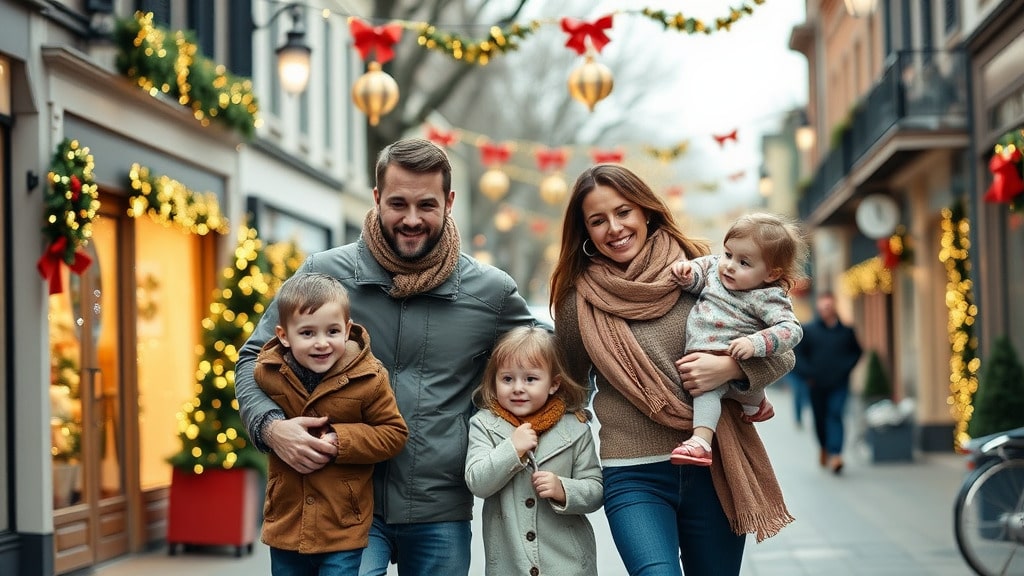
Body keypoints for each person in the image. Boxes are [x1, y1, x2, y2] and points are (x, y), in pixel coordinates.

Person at [234, 137, 539, 576]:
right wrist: (270, 426)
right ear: (376, 198)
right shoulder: (324, 273)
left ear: (449, 202)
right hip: (345, 506)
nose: (411, 219)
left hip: (440, 506)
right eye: (397, 203)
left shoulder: (491, 292)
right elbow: (252, 358)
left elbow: (549, 363)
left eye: (427, 206)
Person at [550, 164, 795, 576]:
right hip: (632, 474)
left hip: (713, 466)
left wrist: (731, 367)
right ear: (586, 231)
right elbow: (570, 386)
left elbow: (783, 350)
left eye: (623, 212)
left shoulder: (705, 272)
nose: (614, 227)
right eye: (598, 220)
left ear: (646, 211)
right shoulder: (579, 302)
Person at [254, 273, 408, 575]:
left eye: (332, 331)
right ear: (284, 336)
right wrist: (272, 430)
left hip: (342, 526)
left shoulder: (369, 377)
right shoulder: (267, 372)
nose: (322, 343)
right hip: (287, 523)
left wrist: (341, 440)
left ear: (347, 330)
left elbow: (394, 433)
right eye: (308, 333)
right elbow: (254, 410)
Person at [667, 213, 807, 466]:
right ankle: (756, 403)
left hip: (725, 356)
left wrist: (756, 342)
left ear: (771, 274)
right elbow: (699, 273)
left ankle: (700, 442)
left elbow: (791, 330)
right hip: (708, 357)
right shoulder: (715, 269)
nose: (729, 265)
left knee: (706, 393)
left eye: (744, 263)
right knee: (727, 391)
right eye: (728, 254)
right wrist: (686, 273)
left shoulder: (768, 297)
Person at [465, 326, 603, 576]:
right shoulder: (484, 424)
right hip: (509, 565)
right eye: (507, 379)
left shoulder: (575, 427)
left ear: (553, 384)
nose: (518, 388)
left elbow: (595, 489)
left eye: (530, 379)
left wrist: (564, 489)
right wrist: (511, 449)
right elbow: (477, 482)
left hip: (568, 565)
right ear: (494, 381)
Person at [793, 291, 863, 474]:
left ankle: (837, 454)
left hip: (839, 383)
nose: (826, 309)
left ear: (834, 307)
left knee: (836, 414)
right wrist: (808, 374)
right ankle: (824, 447)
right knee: (820, 419)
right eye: (823, 306)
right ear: (818, 307)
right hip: (816, 384)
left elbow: (857, 352)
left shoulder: (846, 331)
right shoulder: (809, 331)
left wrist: (846, 369)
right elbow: (798, 356)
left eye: (829, 306)